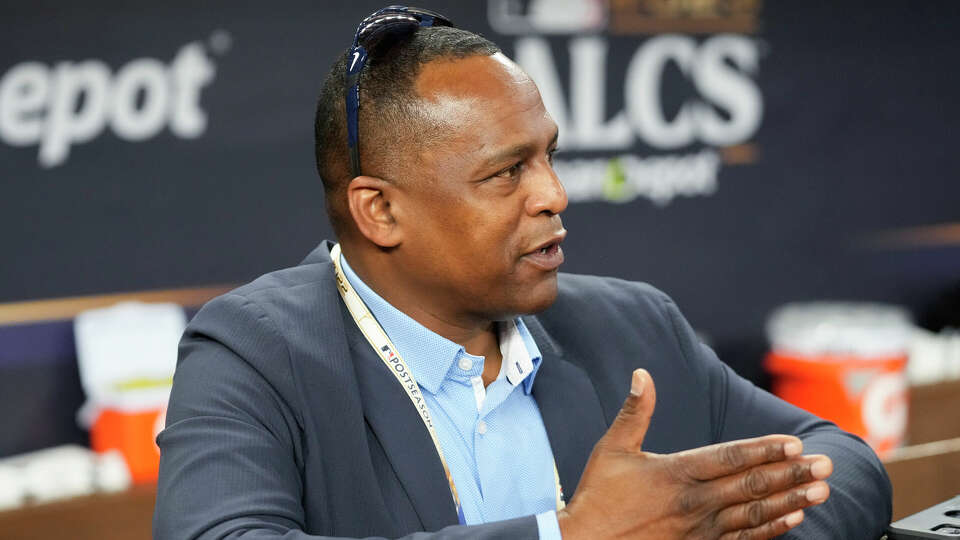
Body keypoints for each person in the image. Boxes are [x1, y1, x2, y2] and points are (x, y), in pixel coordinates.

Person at [153, 6, 892, 539]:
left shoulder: (629, 323)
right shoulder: (253, 356)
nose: (554, 195)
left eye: (548, 156)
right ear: (379, 211)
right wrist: (568, 537)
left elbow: (844, 460)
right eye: (507, 173)